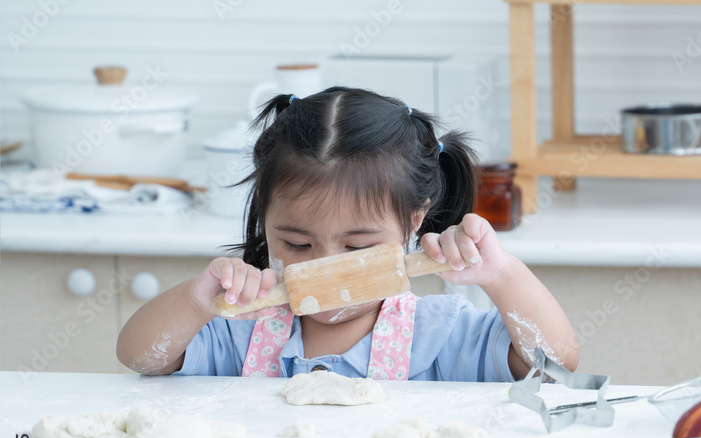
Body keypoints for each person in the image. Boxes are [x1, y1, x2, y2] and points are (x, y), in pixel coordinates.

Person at [117, 87, 578, 382]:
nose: (321, 264)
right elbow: (140, 358)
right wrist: (198, 301)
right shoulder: (240, 329)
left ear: (414, 221)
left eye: (358, 247)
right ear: (265, 217)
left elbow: (555, 368)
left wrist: (502, 275)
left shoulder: (439, 334)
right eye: (296, 244)